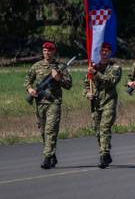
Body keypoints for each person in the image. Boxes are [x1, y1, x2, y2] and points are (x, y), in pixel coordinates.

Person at [25, 41, 73, 169]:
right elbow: (27, 81)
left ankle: (47, 157)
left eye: (50, 51)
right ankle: (52, 155)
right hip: (40, 103)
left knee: (50, 130)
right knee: (43, 132)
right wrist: (30, 90)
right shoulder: (36, 66)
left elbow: (68, 84)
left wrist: (58, 78)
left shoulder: (60, 67)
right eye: (45, 51)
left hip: (54, 102)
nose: (47, 53)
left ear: (54, 52)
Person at [84, 42, 121, 168]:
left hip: (109, 101)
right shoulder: (93, 66)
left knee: (105, 128)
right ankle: (106, 150)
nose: (104, 53)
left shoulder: (115, 67)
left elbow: (110, 81)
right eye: (102, 51)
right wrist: (87, 93)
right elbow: (86, 84)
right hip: (95, 103)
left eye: (107, 51)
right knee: (97, 130)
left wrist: (95, 73)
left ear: (110, 53)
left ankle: (104, 155)